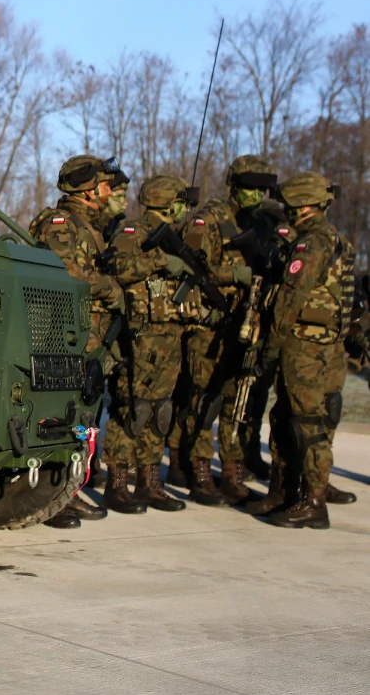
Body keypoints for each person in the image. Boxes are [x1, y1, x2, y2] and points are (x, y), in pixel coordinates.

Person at [29, 155, 139, 524]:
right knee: (64, 416)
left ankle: (69, 488)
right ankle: (49, 495)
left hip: (91, 339)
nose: (111, 192)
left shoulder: (91, 225)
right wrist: (110, 287)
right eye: (105, 186)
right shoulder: (60, 224)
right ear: (88, 190)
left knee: (86, 417)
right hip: (66, 338)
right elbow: (67, 274)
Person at [250, 172, 356, 528]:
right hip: (319, 345)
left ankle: (314, 502)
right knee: (285, 418)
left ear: (301, 205)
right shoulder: (336, 240)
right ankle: (284, 492)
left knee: (307, 423)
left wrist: (271, 345)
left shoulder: (311, 243)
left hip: (303, 346)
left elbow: (290, 299)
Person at [174, 156, 279, 506]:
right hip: (210, 325)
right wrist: (234, 276)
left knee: (238, 402)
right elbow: (188, 265)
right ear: (234, 185)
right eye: (250, 188)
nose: (257, 195)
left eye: (262, 189)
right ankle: (200, 472)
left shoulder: (261, 222)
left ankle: (232, 472)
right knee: (205, 399)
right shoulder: (210, 217)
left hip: (246, 325)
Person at [102, 173, 195, 513]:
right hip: (140, 335)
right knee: (133, 408)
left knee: (160, 410)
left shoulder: (177, 236)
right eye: (180, 199)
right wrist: (160, 260)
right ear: (167, 200)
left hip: (169, 333)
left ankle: (149, 481)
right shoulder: (133, 232)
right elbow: (118, 271)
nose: (184, 206)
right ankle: (116, 483)